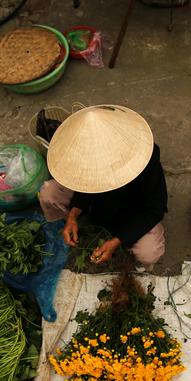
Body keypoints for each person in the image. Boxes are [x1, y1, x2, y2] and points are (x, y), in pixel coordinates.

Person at [38, 105, 168, 268]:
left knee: (148, 253)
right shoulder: (81, 157)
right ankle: (66, 229)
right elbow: (82, 185)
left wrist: (117, 241)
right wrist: (73, 215)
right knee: (49, 192)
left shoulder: (145, 158)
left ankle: (131, 261)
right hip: (97, 206)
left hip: (132, 214)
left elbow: (155, 209)